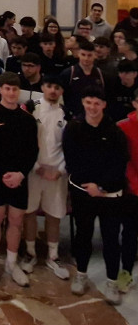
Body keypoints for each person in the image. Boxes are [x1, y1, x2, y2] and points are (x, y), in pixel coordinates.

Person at [64, 87, 128, 304]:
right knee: (83, 235)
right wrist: (89, 185)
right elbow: (72, 160)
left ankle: (112, 281)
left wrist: (101, 187)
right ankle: (81, 275)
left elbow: (119, 164)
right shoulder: (74, 128)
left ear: (104, 105)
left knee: (111, 239)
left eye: (96, 103)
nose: (92, 107)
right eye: (88, 102)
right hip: (83, 192)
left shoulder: (115, 131)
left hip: (110, 193)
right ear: (83, 103)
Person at [0, 72, 38, 287]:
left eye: (15, 89)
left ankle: (12, 263)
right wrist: (4, 173)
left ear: (19, 91)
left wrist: (21, 173)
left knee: (16, 220)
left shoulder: (28, 119)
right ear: (1, 90)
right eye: (7, 89)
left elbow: (33, 151)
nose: (11, 93)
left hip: (20, 177)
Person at [20, 75, 71, 280]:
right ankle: (30, 253)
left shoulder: (67, 114)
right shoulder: (31, 108)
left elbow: (70, 147)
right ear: (43, 87)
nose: (52, 90)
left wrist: (60, 170)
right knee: (29, 211)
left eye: (57, 87)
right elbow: (24, 141)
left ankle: (53, 255)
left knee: (54, 214)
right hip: (34, 170)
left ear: (61, 92)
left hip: (56, 173)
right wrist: (35, 166)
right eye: (49, 86)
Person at [117, 90, 138, 293]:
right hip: (132, 189)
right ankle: (126, 272)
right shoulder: (123, 127)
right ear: (134, 104)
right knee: (130, 232)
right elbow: (121, 160)